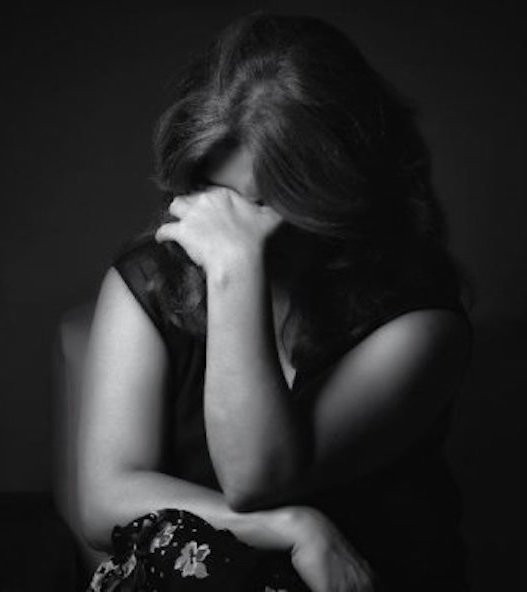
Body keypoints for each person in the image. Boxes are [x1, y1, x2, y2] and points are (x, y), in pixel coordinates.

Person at [77, 11, 474, 592]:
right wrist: (294, 527)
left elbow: (256, 478)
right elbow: (104, 500)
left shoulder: (421, 324)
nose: (232, 225)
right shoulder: (152, 281)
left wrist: (236, 269)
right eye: (218, 197)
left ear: (336, 191)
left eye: (264, 204)